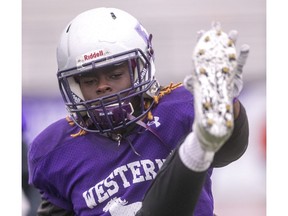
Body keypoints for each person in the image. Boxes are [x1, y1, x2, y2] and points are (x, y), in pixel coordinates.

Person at [27, 7, 249, 216]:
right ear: (74, 86)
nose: (102, 87)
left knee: (206, 134)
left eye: (114, 75)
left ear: (140, 69)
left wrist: (230, 109)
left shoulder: (179, 109)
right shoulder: (56, 150)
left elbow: (230, 150)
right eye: (89, 80)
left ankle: (199, 142)